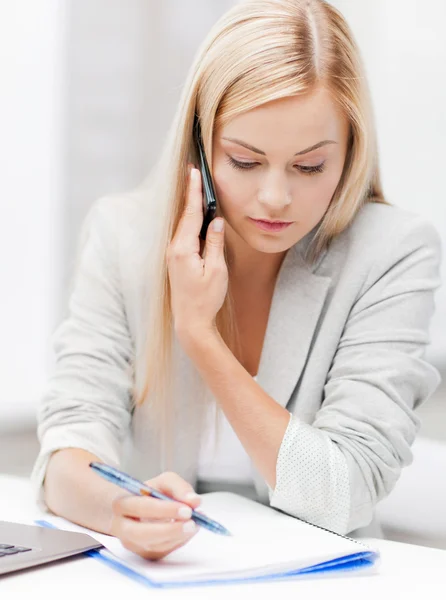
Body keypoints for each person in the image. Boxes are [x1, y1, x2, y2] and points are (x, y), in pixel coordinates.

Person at [32, 0, 442, 562]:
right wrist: (118, 510)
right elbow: (68, 449)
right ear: (199, 146)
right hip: (165, 577)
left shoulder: (392, 252)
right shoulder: (123, 236)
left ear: (349, 154)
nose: (275, 197)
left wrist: (202, 338)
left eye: (310, 166)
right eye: (245, 161)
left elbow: (344, 493)